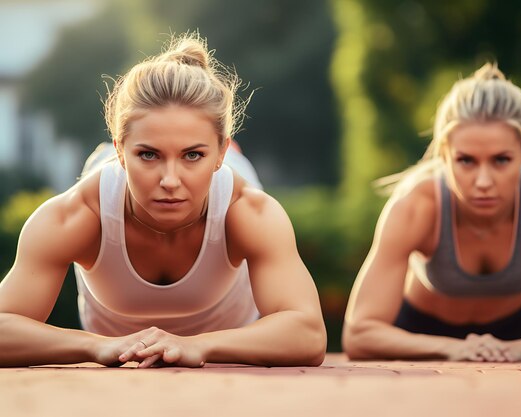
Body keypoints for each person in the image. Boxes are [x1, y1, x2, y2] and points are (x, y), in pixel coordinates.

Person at [0, 33, 326, 368]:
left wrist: (198, 346)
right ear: (120, 152)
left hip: (224, 193)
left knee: (233, 185)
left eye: (192, 155)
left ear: (220, 153)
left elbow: (308, 333)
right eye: (149, 155)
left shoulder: (249, 210)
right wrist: (96, 346)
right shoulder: (75, 214)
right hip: (116, 192)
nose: (170, 181)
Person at [342, 63, 521, 362]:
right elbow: (360, 333)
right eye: (466, 161)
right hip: (419, 336)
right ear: (444, 155)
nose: (483, 182)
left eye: (501, 160)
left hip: (516, 334)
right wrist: (450, 348)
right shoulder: (415, 206)